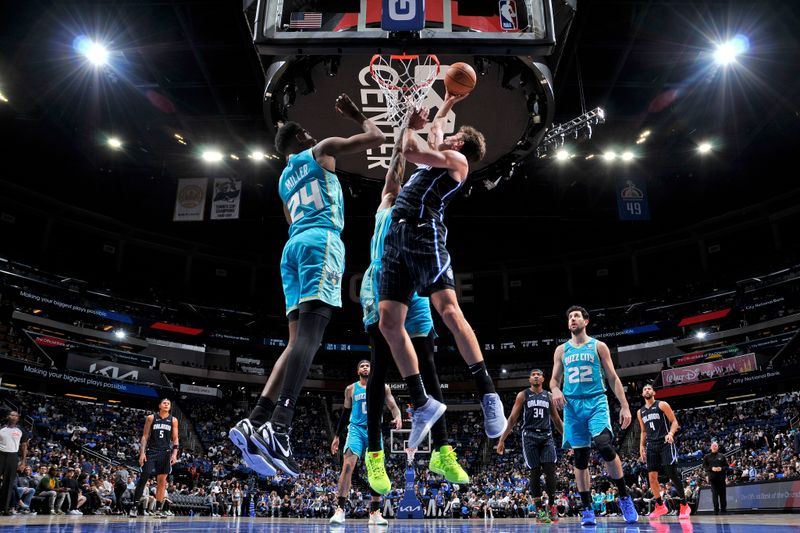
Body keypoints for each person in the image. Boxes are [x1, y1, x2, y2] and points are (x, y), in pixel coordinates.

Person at [230, 93, 385, 478]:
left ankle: (256, 417)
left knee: (295, 341)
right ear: (302, 137)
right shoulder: (322, 149)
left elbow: (289, 219)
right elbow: (377, 137)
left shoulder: (283, 180)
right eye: (307, 132)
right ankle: (279, 426)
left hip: (292, 249)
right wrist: (355, 114)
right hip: (321, 242)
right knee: (310, 341)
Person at [377, 93, 505, 451]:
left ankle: (488, 394)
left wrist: (408, 126)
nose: (445, 136)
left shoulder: (456, 160)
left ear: (460, 143)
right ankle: (422, 402)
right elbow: (435, 134)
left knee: (448, 310)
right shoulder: (441, 156)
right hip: (397, 236)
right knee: (389, 323)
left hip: (423, 231)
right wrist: (446, 103)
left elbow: (410, 150)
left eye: (451, 135)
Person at [360, 115, 469, 495]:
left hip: (416, 281)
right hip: (381, 282)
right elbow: (396, 163)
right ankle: (374, 454)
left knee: (429, 364)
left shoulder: (425, 202)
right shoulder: (389, 201)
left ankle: (442, 451)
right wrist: (406, 122)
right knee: (380, 367)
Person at [550, 305, 638, 526]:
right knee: (580, 459)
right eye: (570, 317)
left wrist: (625, 405)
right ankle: (587, 508)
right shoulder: (561, 350)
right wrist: (556, 390)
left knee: (605, 445)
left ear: (586, 321)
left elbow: (613, 377)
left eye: (577, 316)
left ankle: (625, 497)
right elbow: (553, 380)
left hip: (596, 401)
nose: (572, 319)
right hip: (572, 407)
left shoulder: (598, 346)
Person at [329, 360, 401, 525]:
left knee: (376, 469)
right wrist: (337, 436)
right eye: (362, 366)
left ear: (372, 369)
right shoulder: (351, 389)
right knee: (347, 466)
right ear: (357, 371)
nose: (365, 367)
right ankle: (340, 509)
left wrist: (397, 416)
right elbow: (346, 414)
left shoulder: (383, 387)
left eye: (368, 365)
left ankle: (375, 512)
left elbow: (393, 406)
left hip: (374, 431)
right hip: (356, 429)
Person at [497, 369, 564, 523]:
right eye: (533, 374)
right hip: (529, 436)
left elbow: (556, 420)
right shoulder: (523, 395)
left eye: (538, 374)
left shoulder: (548, 396)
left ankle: (552, 506)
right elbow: (513, 418)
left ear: (543, 378)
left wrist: (569, 440)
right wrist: (502, 440)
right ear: (529, 379)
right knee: (534, 472)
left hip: (546, 436)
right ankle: (540, 511)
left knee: (550, 470)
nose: (535, 376)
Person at [637, 383, 691, 520]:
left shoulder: (662, 405)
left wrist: (671, 434)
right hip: (651, 445)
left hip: (665, 443)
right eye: (644, 389)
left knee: (671, 474)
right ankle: (660, 506)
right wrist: (641, 447)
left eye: (649, 388)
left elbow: (674, 422)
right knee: (652, 478)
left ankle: (684, 505)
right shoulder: (640, 412)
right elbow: (643, 431)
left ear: (653, 392)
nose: (647, 390)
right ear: (642, 394)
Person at [130, 398, 179, 517]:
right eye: (164, 403)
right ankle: (134, 507)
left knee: (162, 482)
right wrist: (142, 453)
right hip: (151, 451)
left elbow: (176, 438)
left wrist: (174, 454)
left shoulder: (173, 420)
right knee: (144, 478)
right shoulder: (151, 418)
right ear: (159, 406)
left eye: (168, 403)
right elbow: (145, 436)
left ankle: (158, 509)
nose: (167, 404)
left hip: (165, 453)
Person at [0, 410, 28, 516]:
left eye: (16, 415)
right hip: (1, 454)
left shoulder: (21, 430)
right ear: (8, 417)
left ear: (18, 418)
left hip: (13, 456)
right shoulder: (1, 428)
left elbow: (24, 446)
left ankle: (5, 509)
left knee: (8, 484)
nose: (14, 417)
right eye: (12, 415)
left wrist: (23, 462)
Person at [702, 441, 727, 514]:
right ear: (710, 447)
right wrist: (711, 468)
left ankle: (723, 510)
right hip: (712, 479)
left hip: (721, 479)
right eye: (713, 446)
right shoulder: (706, 456)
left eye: (716, 446)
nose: (714, 447)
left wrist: (721, 468)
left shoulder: (722, 456)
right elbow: (704, 466)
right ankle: (716, 510)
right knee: (714, 495)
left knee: (723, 495)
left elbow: (727, 466)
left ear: (718, 447)